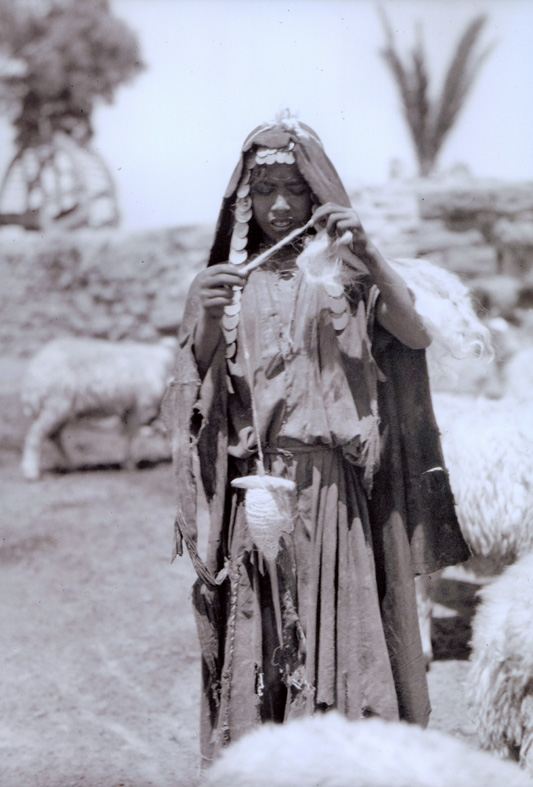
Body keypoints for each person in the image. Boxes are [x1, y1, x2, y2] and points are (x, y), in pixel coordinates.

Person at [164, 113, 469, 767]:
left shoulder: (346, 278)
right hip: (261, 497)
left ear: (316, 194)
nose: (279, 205)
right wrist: (204, 313)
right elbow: (200, 398)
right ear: (247, 199)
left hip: (335, 496)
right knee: (266, 641)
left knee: (344, 643)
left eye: (294, 190)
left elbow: (415, 335)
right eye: (264, 190)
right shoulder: (229, 288)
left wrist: (371, 256)